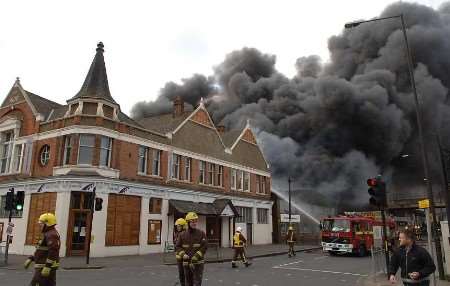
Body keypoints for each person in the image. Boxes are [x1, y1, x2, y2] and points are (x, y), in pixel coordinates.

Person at [24, 213, 61, 286]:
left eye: (42, 224)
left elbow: (53, 251)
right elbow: (42, 250)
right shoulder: (48, 234)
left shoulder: (51, 235)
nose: (40, 225)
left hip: (44, 267)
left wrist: (47, 266)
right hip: (43, 266)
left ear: (48, 224)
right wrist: (31, 258)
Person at [176, 212, 207, 286]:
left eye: (195, 221)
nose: (194, 223)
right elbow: (177, 246)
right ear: (188, 222)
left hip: (198, 263)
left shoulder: (201, 233)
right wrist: (183, 254)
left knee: (197, 283)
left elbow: (205, 246)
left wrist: (196, 256)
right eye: (192, 221)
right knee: (188, 283)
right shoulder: (182, 235)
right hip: (186, 263)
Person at [174, 218, 187, 286]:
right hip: (179, 257)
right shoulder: (176, 234)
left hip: (185, 257)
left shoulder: (185, 234)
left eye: (179, 226)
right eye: (177, 226)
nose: (177, 227)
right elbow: (176, 245)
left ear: (183, 226)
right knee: (181, 273)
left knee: (186, 273)